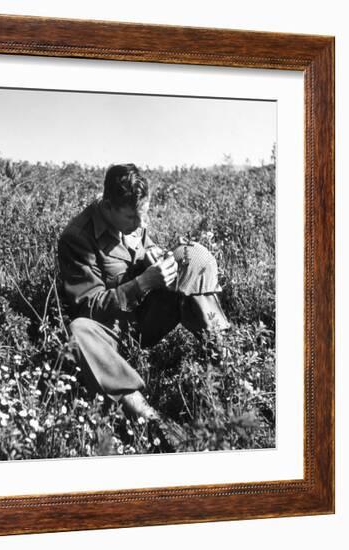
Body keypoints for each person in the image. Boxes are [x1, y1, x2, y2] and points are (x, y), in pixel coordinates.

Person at [57, 163, 229, 438]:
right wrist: (142, 282)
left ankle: (226, 362)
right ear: (108, 206)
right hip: (109, 335)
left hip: (146, 318)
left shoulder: (133, 219)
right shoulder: (76, 238)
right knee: (78, 331)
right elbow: (89, 307)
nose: (141, 225)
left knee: (193, 256)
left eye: (144, 215)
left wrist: (158, 256)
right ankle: (150, 422)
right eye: (131, 219)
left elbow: (144, 245)